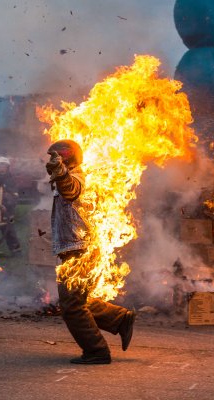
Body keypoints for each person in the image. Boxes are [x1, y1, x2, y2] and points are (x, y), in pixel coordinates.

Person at [45, 139, 136, 365]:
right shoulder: (67, 177)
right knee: (80, 299)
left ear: (67, 158)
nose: (51, 161)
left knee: (72, 306)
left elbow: (71, 190)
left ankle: (97, 351)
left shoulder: (76, 178)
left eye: (56, 157)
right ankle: (120, 319)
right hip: (76, 250)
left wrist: (61, 172)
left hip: (79, 252)